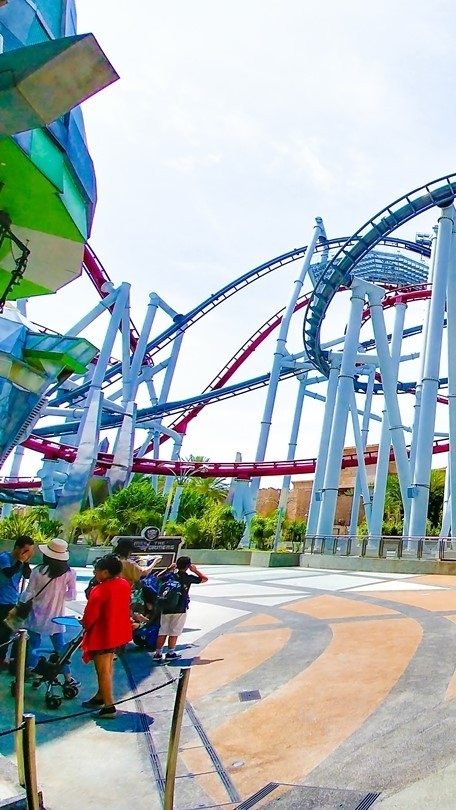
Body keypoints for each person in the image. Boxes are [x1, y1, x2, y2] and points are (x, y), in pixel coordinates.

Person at [18, 537, 78, 685]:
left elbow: (28, 593)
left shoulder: (38, 571)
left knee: (33, 645)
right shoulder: (69, 573)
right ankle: (68, 677)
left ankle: (33, 671)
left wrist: (21, 604)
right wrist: (58, 596)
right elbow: (71, 595)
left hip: (36, 615)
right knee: (60, 648)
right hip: (56, 617)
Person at [80, 554, 132, 719]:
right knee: (108, 666)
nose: (95, 573)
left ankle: (109, 706)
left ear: (105, 572)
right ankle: (100, 696)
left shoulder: (100, 590)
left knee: (102, 670)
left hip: (102, 634)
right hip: (118, 632)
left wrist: (84, 622)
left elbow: (91, 615)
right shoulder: (124, 584)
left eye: (96, 571)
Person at [153, 556, 208, 662]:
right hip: (180, 608)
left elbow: (157, 577)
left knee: (163, 630)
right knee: (174, 631)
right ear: (188, 566)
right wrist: (195, 570)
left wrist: (169, 569)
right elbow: (204, 579)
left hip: (166, 606)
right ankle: (170, 653)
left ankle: (158, 653)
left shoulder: (170, 576)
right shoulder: (187, 577)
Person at [0, 536, 34, 672]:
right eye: (25, 550)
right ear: (17, 548)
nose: (27, 554)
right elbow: (8, 573)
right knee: (1, 632)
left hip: (12, 601)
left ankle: (2, 659)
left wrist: (25, 562)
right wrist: (20, 561)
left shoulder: (21, 562)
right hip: (1, 600)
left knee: (7, 631)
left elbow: (27, 575)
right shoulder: (4, 558)